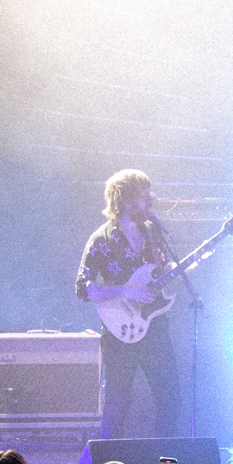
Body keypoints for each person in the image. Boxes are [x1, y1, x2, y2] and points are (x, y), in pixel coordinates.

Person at [77, 168, 181, 438]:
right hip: (119, 332)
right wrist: (127, 291)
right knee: (116, 405)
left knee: (171, 399)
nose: (151, 202)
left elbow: (158, 274)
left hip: (154, 326)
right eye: (144, 197)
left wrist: (183, 267)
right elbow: (83, 287)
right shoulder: (101, 239)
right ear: (124, 200)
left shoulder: (151, 233)